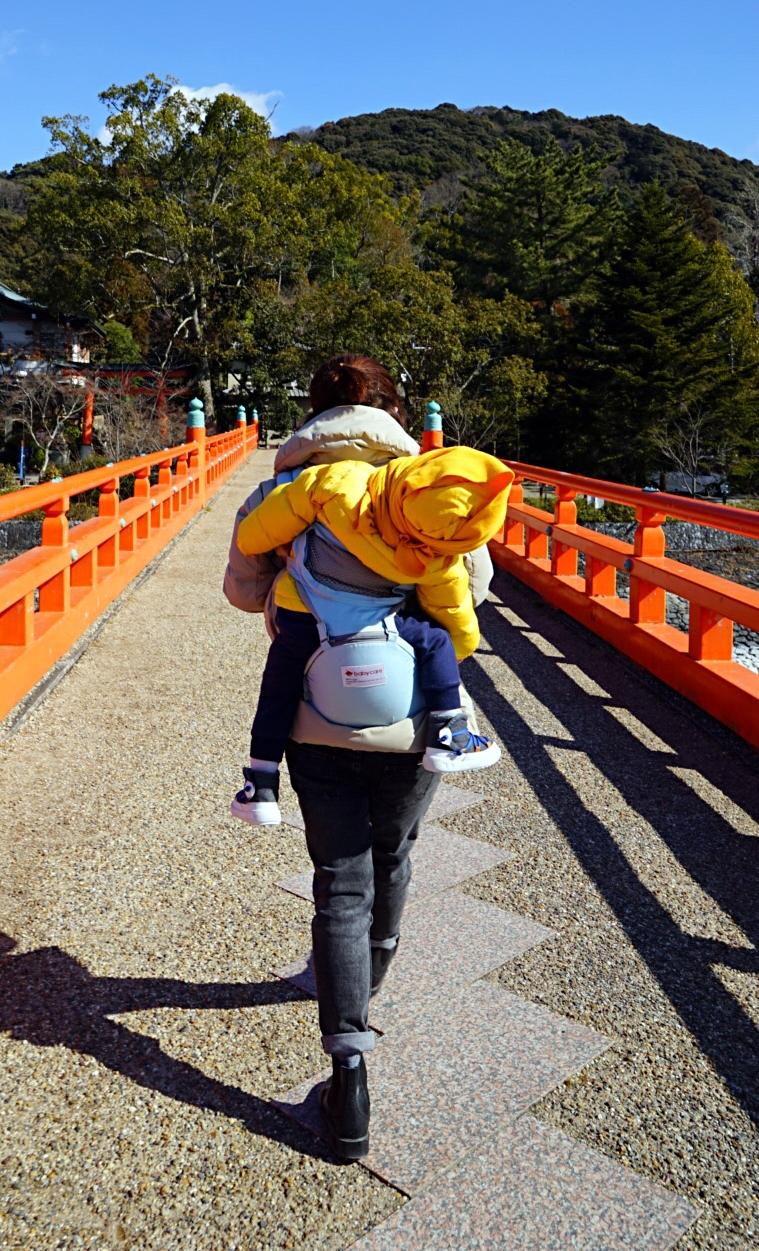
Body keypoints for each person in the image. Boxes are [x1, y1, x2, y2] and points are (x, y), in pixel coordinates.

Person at [221, 355, 507, 1160]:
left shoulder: (282, 491)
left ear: (312, 412)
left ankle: (347, 1078)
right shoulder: (421, 481)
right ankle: (369, 977)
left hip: (316, 715)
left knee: (337, 882)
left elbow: (243, 591)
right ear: (394, 412)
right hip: (415, 715)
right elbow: (476, 582)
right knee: (396, 853)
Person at [229, 441, 509, 826]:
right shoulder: (432, 554)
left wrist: (254, 540)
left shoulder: (340, 479)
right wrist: (456, 652)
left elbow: (272, 519)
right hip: (384, 621)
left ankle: (260, 783)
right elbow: (455, 617)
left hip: (305, 609)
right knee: (439, 641)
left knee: (278, 687)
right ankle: (449, 730)